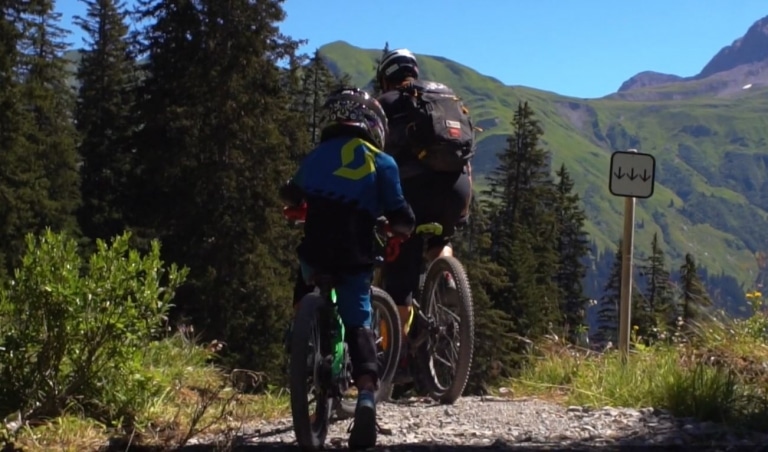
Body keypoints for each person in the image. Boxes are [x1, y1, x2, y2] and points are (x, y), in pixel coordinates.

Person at [279, 86, 415, 449]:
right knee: (358, 320)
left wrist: (303, 205)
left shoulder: (317, 155)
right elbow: (403, 217)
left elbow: (290, 194)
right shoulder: (382, 162)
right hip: (355, 254)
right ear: (373, 125)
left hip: (316, 252)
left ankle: (301, 339)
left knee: (306, 278)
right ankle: (367, 397)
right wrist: (396, 230)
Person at [375, 48, 474, 384]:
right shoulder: (445, 98)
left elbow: (372, 158)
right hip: (455, 191)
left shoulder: (386, 103)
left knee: (399, 281)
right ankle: (445, 271)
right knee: (440, 238)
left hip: (412, 191)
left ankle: (396, 361)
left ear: (386, 77)